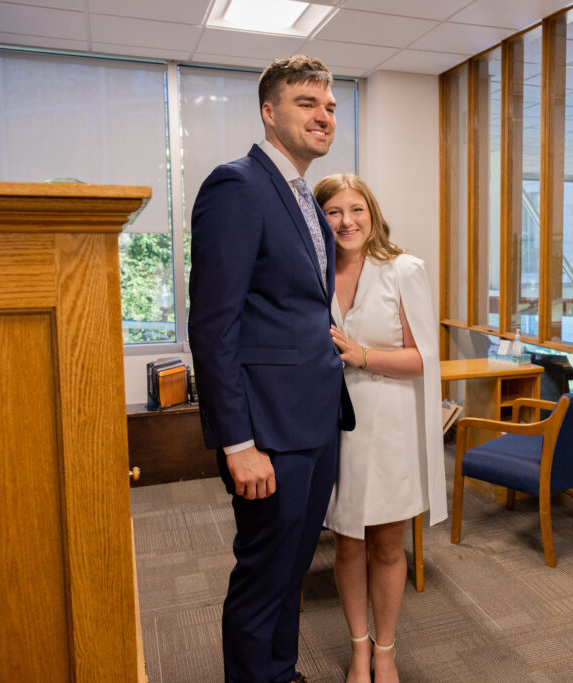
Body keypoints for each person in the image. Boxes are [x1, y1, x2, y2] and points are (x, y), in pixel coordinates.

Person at [188, 55, 354, 683]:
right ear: (269, 111)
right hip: (267, 435)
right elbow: (213, 326)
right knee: (263, 579)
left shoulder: (307, 200)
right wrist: (237, 443)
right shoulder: (237, 186)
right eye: (307, 103)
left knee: (290, 575)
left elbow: (294, 306)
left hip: (314, 423)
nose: (323, 116)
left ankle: (281, 675)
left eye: (331, 106)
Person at [313, 174, 447, 683]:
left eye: (356, 210)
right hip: (333, 424)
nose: (346, 222)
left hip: (388, 421)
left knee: (387, 543)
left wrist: (362, 355)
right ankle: (359, 649)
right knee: (347, 541)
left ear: (372, 213)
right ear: (320, 220)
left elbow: (423, 360)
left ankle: (386, 650)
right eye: (333, 212)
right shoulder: (315, 273)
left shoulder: (403, 270)